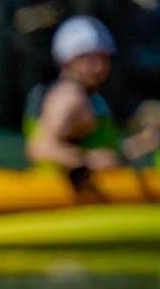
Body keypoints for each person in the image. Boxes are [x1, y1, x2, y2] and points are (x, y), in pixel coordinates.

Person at [26, 17, 127, 179]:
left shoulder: (85, 95)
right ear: (68, 60)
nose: (98, 68)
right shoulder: (70, 97)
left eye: (103, 59)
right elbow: (40, 148)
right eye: (89, 59)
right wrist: (89, 160)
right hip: (62, 196)